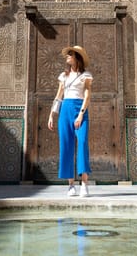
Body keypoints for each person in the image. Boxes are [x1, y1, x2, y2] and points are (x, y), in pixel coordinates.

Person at [48, 45, 93, 197]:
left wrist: (81, 114)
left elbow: (87, 96)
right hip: (65, 111)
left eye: (70, 54)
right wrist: (51, 114)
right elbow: (59, 96)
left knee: (82, 143)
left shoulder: (86, 75)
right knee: (66, 146)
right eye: (67, 55)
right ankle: (71, 185)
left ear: (77, 58)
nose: (67, 57)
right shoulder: (64, 76)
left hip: (79, 110)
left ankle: (84, 184)